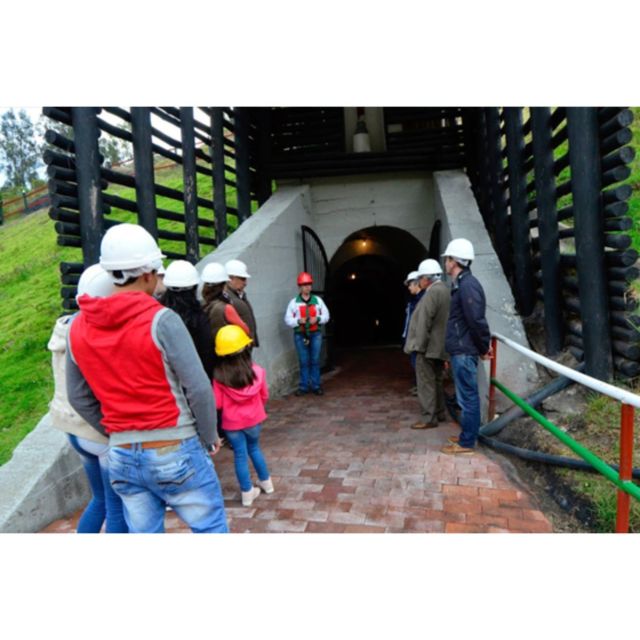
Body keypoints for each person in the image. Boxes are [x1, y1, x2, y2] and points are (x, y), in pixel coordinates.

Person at [66, 223, 228, 533]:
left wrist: (116, 432)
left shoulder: (77, 327)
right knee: (210, 528)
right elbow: (197, 387)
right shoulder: (162, 320)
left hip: (122, 456)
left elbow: (78, 396)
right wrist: (209, 436)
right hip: (173, 445)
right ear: (147, 274)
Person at [47, 264, 128, 533]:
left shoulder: (66, 329)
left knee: (100, 500)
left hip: (72, 429)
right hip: (97, 432)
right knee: (117, 505)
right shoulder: (93, 334)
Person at [440, 238, 492, 455]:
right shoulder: (463, 284)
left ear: (454, 261)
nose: (445, 262)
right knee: (466, 396)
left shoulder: (467, 285)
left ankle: (467, 442)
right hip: (462, 349)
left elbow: (476, 320)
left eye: (448, 258)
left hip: (464, 350)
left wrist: (482, 347)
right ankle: (467, 436)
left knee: (467, 397)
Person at [213, 325, 273, 507]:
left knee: (240, 455)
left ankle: (247, 493)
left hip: (232, 424)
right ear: (245, 348)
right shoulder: (258, 372)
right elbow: (265, 396)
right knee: (254, 449)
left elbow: (218, 404)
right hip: (254, 420)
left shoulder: (219, 377)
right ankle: (267, 484)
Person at [404, 259, 450, 431]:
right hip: (439, 345)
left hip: (428, 347)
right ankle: (439, 412)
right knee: (437, 380)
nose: (420, 280)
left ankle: (428, 417)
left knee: (425, 383)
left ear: (427, 278)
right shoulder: (444, 290)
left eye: (421, 277)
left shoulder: (431, 293)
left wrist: (418, 346)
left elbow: (425, 321)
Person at [159, 260, 215, 380]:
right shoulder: (199, 318)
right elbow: (207, 357)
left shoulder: (157, 313)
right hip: (193, 381)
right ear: (195, 287)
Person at [284, 271, 330, 396]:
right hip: (300, 335)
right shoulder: (294, 303)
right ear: (300, 286)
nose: (307, 287)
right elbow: (287, 319)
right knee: (304, 361)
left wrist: (318, 319)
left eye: (309, 284)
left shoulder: (318, 301)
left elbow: (326, 315)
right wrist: (298, 321)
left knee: (315, 360)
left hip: (315, 334)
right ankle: (304, 386)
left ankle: (316, 385)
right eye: (304, 285)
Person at [225, 259, 259, 347]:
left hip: (244, 344)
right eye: (242, 279)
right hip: (238, 347)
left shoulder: (239, 295)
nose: (245, 283)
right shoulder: (227, 298)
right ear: (230, 278)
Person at [402, 270, 424, 377]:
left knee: (419, 365)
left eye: (410, 284)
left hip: (418, 340)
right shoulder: (413, 300)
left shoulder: (423, 299)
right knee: (415, 363)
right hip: (414, 338)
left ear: (416, 283)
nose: (409, 287)